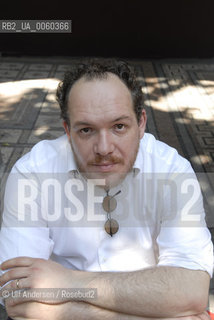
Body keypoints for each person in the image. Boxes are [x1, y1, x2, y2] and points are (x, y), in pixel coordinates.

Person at [0, 59, 213, 320]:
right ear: (68, 130)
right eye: (87, 130)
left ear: (142, 123)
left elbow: (191, 292)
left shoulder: (172, 172)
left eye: (119, 127)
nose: (104, 148)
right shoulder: (31, 175)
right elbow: (18, 299)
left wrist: (69, 282)